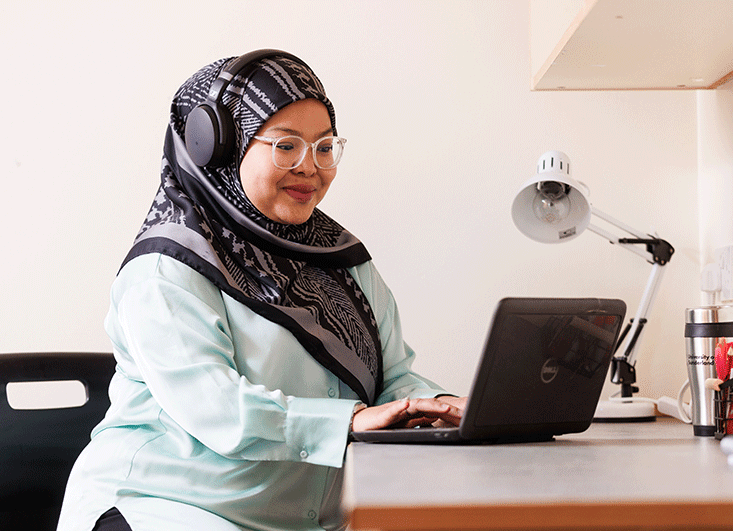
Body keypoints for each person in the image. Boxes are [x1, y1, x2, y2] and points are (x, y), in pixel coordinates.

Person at [56, 50, 466, 531]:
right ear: (219, 150)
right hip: (165, 508)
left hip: (302, 520)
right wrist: (349, 422)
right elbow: (220, 410)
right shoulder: (166, 270)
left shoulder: (341, 261)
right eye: (286, 146)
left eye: (325, 147)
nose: (311, 168)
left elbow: (394, 381)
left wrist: (445, 408)